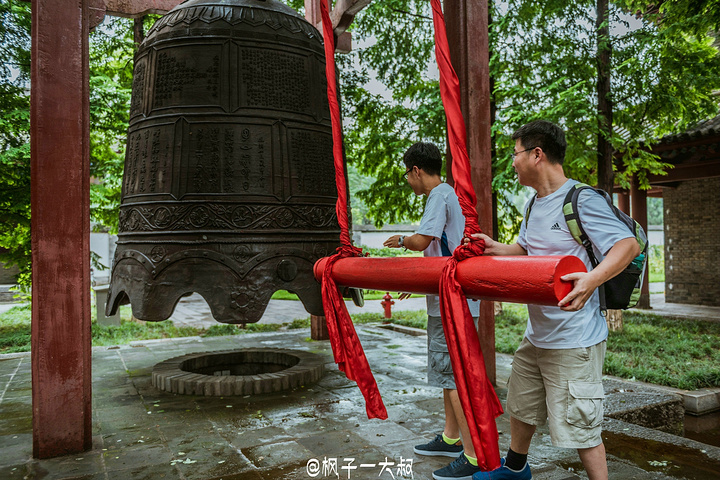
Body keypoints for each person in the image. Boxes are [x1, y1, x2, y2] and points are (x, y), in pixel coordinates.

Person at [469, 120, 640, 480]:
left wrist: (592, 280)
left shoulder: (582, 199)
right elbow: (526, 250)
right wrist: (495, 247)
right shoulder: (533, 205)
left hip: (575, 338)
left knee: (582, 426)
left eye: (515, 154)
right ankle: (515, 469)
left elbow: (627, 245)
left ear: (537, 154)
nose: (512, 163)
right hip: (539, 333)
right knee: (523, 404)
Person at [383, 142, 482, 480]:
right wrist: (418, 281)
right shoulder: (446, 195)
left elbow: (424, 239)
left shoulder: (438, 194)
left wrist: (401, 240)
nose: (408, 182)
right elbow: (440, 251)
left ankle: (471, 456)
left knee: (453, 378)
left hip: (451, 305)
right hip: (449, 299)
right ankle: (452, 439)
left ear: (415, 171)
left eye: (407, 175)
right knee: (447, 375)